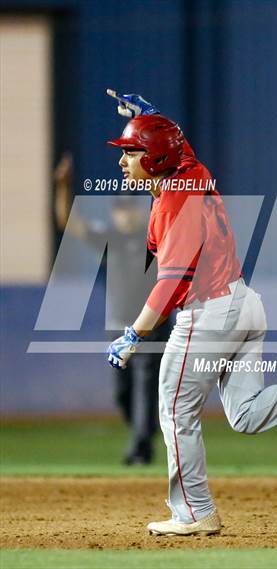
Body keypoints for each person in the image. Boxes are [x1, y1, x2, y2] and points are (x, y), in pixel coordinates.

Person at [106, 93, 277, 536]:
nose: (123, 162)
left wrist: (134, 334)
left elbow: (171, 282)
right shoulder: (191, 176)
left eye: (132, 152)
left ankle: (194, 512)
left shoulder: (172, 205)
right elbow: (180, 149)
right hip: (244, 304)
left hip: (208, 316)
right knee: (243, 415)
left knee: (174, 409)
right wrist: (149, 117)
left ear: (156, 157)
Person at [54, 153, 171, 465]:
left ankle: (140, 447)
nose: (125, 215)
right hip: (118, 324)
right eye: (119, 209)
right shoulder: (111, 238)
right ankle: (142, 433)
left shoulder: (156, 237)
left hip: (152, 325)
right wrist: (62, 187)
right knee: (122, 392)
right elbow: (69, 223)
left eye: (129, 209)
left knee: (147, 385)